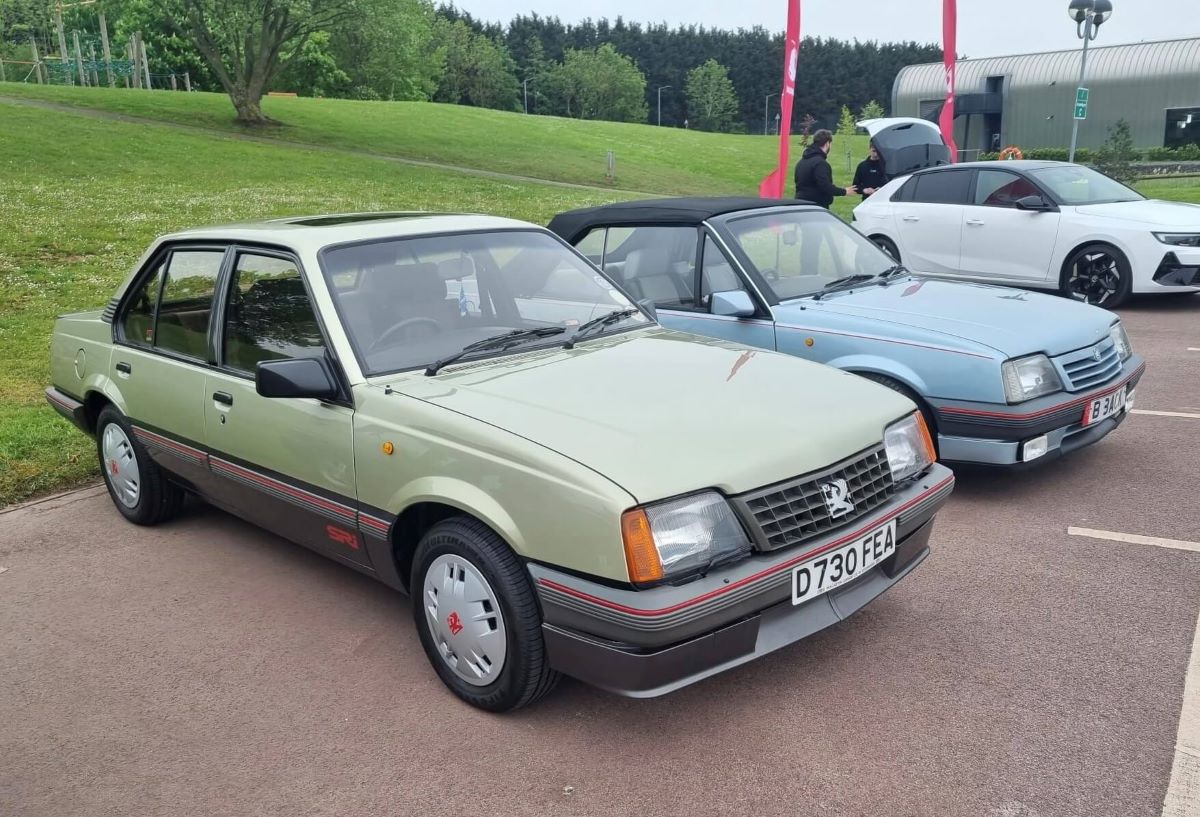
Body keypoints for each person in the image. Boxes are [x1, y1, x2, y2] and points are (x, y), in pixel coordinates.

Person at [793, 129, 856, 208]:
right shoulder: (820, 163)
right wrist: (845, 191)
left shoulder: (802, 162)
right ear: (827, 144)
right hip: (816, 207)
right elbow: (825, 186)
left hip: (800, 204)